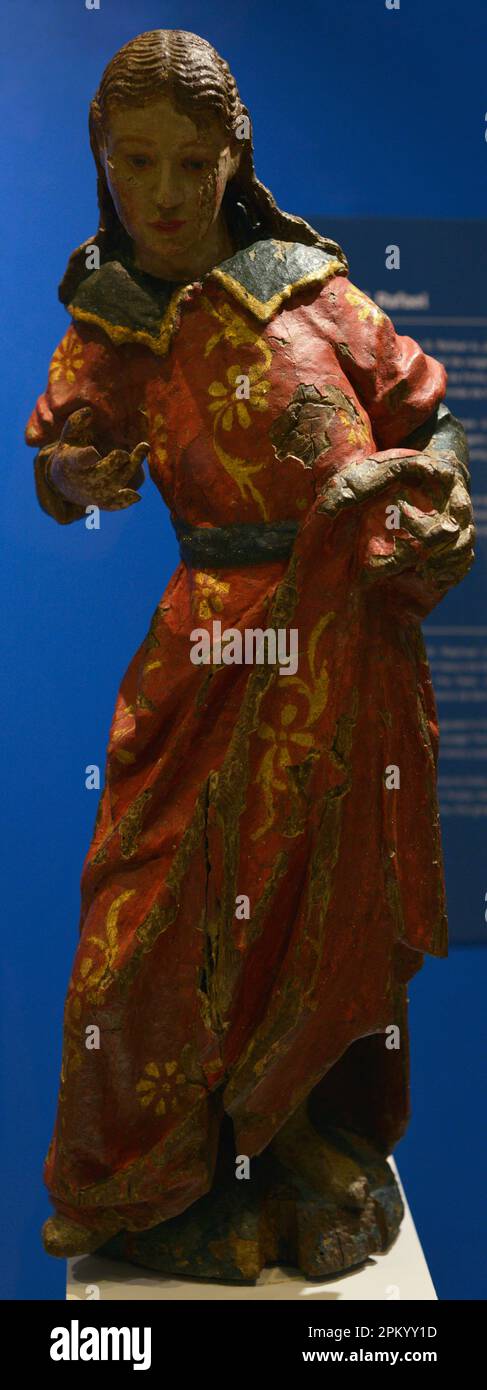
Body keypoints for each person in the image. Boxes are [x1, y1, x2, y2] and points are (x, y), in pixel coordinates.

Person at [26, 28, 474, 1270]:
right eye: (135, 164)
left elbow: (429, 421)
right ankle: (155, 1175)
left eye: (189, 161)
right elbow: (59, 465)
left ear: (235, 157)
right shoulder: (115, 312)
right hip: (212, 654)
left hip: (347, 647)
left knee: (322, 899)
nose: (163, 195)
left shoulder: (311, 286)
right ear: (103, 163)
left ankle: (296, 1146)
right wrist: (75, 471)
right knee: (146, 918)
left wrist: (444, 507)